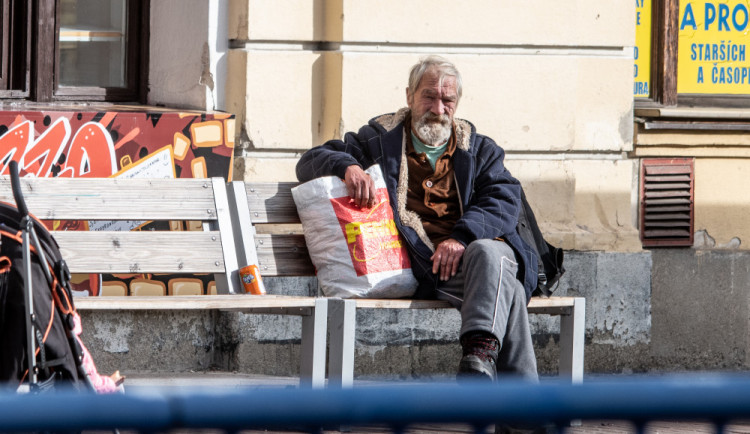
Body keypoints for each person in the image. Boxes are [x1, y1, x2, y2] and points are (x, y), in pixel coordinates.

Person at [296, 55, 539, 383]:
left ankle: (480, 355)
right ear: (409, 96)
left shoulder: (480, 150)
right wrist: (348, 166)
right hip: (429, 268)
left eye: (447, 99)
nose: (438, 108)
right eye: (429, 96)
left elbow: (503, 199)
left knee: (489, 252)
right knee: (509, 294)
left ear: (457, 103)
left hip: (477, 262)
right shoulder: (377, 140)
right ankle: (507, 396)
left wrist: (461, 238)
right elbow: (310, 161)